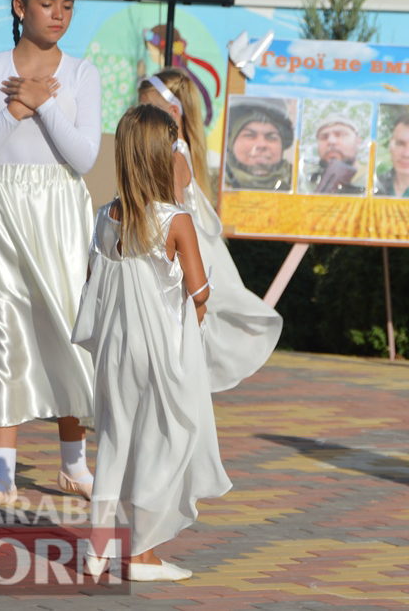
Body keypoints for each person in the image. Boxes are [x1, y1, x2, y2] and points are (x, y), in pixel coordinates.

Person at [0, 0, 101, 507]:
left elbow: (84, 158)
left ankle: (73, 466)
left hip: (61, 206)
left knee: (67, 328)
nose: (58, 14)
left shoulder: (84, 74)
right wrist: (16, 109)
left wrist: (45, 105)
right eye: (47, 3)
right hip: (1, 204)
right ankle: (2, 478)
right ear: (20, 7)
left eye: (67, 4)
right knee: (3, 327)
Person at [73, 104, 231, 582]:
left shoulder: (106, 216)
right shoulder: (175, 220)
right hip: (161, 353)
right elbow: (200, 292)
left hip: (116, 351)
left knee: (115, 443)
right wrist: (193, 320)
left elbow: (91, 282)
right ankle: (141, 554)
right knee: (164, 441)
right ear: (166, 159)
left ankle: (98, 548)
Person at [138, 69, 282, 390]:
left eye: (144, 110)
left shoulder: (173, 155)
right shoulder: (180, 151)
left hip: (181, 254)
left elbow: (169, 210)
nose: (138, 119)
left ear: (172, 113)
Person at [222, 97, 294, 191]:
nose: (261, 145)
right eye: (249, 135)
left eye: (271, 137)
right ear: (230, 142)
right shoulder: (209, 187)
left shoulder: (302, 185)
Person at [304, 112, 366, 194]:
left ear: (357, 141)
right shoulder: (304, 180)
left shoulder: (373, 181)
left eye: (340, 135)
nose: (331, 141)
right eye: (324, 137)